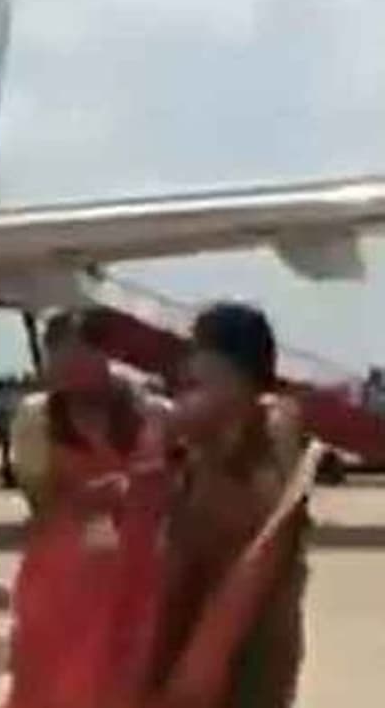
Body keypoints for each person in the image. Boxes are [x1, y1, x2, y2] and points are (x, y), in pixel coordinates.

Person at [145, 302, 315, 708]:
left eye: (199, 352)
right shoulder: (196, 442)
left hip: (250, 628)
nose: (189, 367)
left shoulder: (274, 424)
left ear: (234, 365)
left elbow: (268, 518)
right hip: (189, 620)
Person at [5, 308, 174, 708]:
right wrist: (87, 499)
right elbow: (41, 503)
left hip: (137, 574)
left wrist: (140, 491)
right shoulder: (37, 417)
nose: (67, 371)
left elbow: (178, 491)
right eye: (58, 359)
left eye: (79, 356)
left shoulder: (152, 413)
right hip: (61, 576)